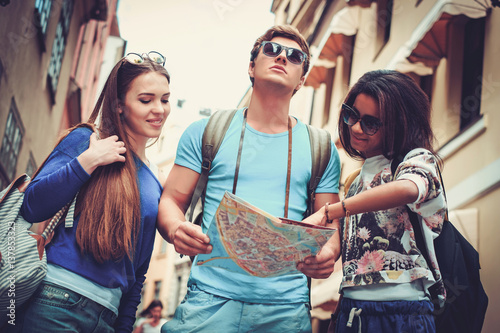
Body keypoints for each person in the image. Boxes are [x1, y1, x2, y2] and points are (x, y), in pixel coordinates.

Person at [157, 25, 341, 332]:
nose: (282, 56)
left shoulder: (320, 146)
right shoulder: (205, 131)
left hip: (286, 307)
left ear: (303, 80)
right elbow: (171, 201)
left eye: (295, 56)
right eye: (271, 49)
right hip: (209, 299)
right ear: (251, 66)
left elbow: (331, 222)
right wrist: (175, 228)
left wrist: (329, 253)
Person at [18, 51, 171, 333]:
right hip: (55, 301)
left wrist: (123, 326)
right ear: (119, 105)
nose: (159, 109)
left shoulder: (155, 181)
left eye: (165, 99)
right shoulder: (88, 140)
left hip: (107, 318)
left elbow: (138, 273)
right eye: (146, 100)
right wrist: (88, 160)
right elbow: (32, 205)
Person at [304, 69, 447, 332]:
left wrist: (330, 211)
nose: (356, 128)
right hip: (350, 312)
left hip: (404, 313)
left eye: (371, 123)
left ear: (399, 124)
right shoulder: (355, 182)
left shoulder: (417, 161)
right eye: (352, 115)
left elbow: (407, 188)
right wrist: (324, 258)